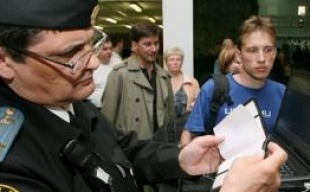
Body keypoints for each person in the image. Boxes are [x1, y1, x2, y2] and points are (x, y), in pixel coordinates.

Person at [0, 1, 287, 192]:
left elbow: (121, 148)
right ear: (0, 60)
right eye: (70, 55)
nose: (93, 62)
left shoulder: (62, 98)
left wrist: (182, 159)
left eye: (90, 43)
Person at [181, 15, 286, 146]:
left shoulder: (282, 93)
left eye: (268, 50)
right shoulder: (214, 89)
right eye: (252, 50)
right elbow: (188, 138)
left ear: (275, 53)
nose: (261, 58)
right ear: (239, 55)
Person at [101, 21, 175, 140]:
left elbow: (171, 118)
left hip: (159, 148)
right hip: (130, 149)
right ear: (134, 46)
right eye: (147, 44)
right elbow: (107, 119)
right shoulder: (120, 74)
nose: (154, 49)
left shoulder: (164, 76)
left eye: (156, 43)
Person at [164, 47, 200, 117]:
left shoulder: (192, 82)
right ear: (166, 62)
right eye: (171, 60)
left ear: (182, 62)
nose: (175, 63)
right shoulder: (160, 81)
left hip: (185, 124)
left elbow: (199, 104)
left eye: (178, 60)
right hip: (165, 124)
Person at [88, 36, 122, 108]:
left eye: (110, 48)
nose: (109, 51)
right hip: (96, 108)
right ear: (96, 50)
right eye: (105, 49)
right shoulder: (91, 66)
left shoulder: (118, 63)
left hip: (115, 107)